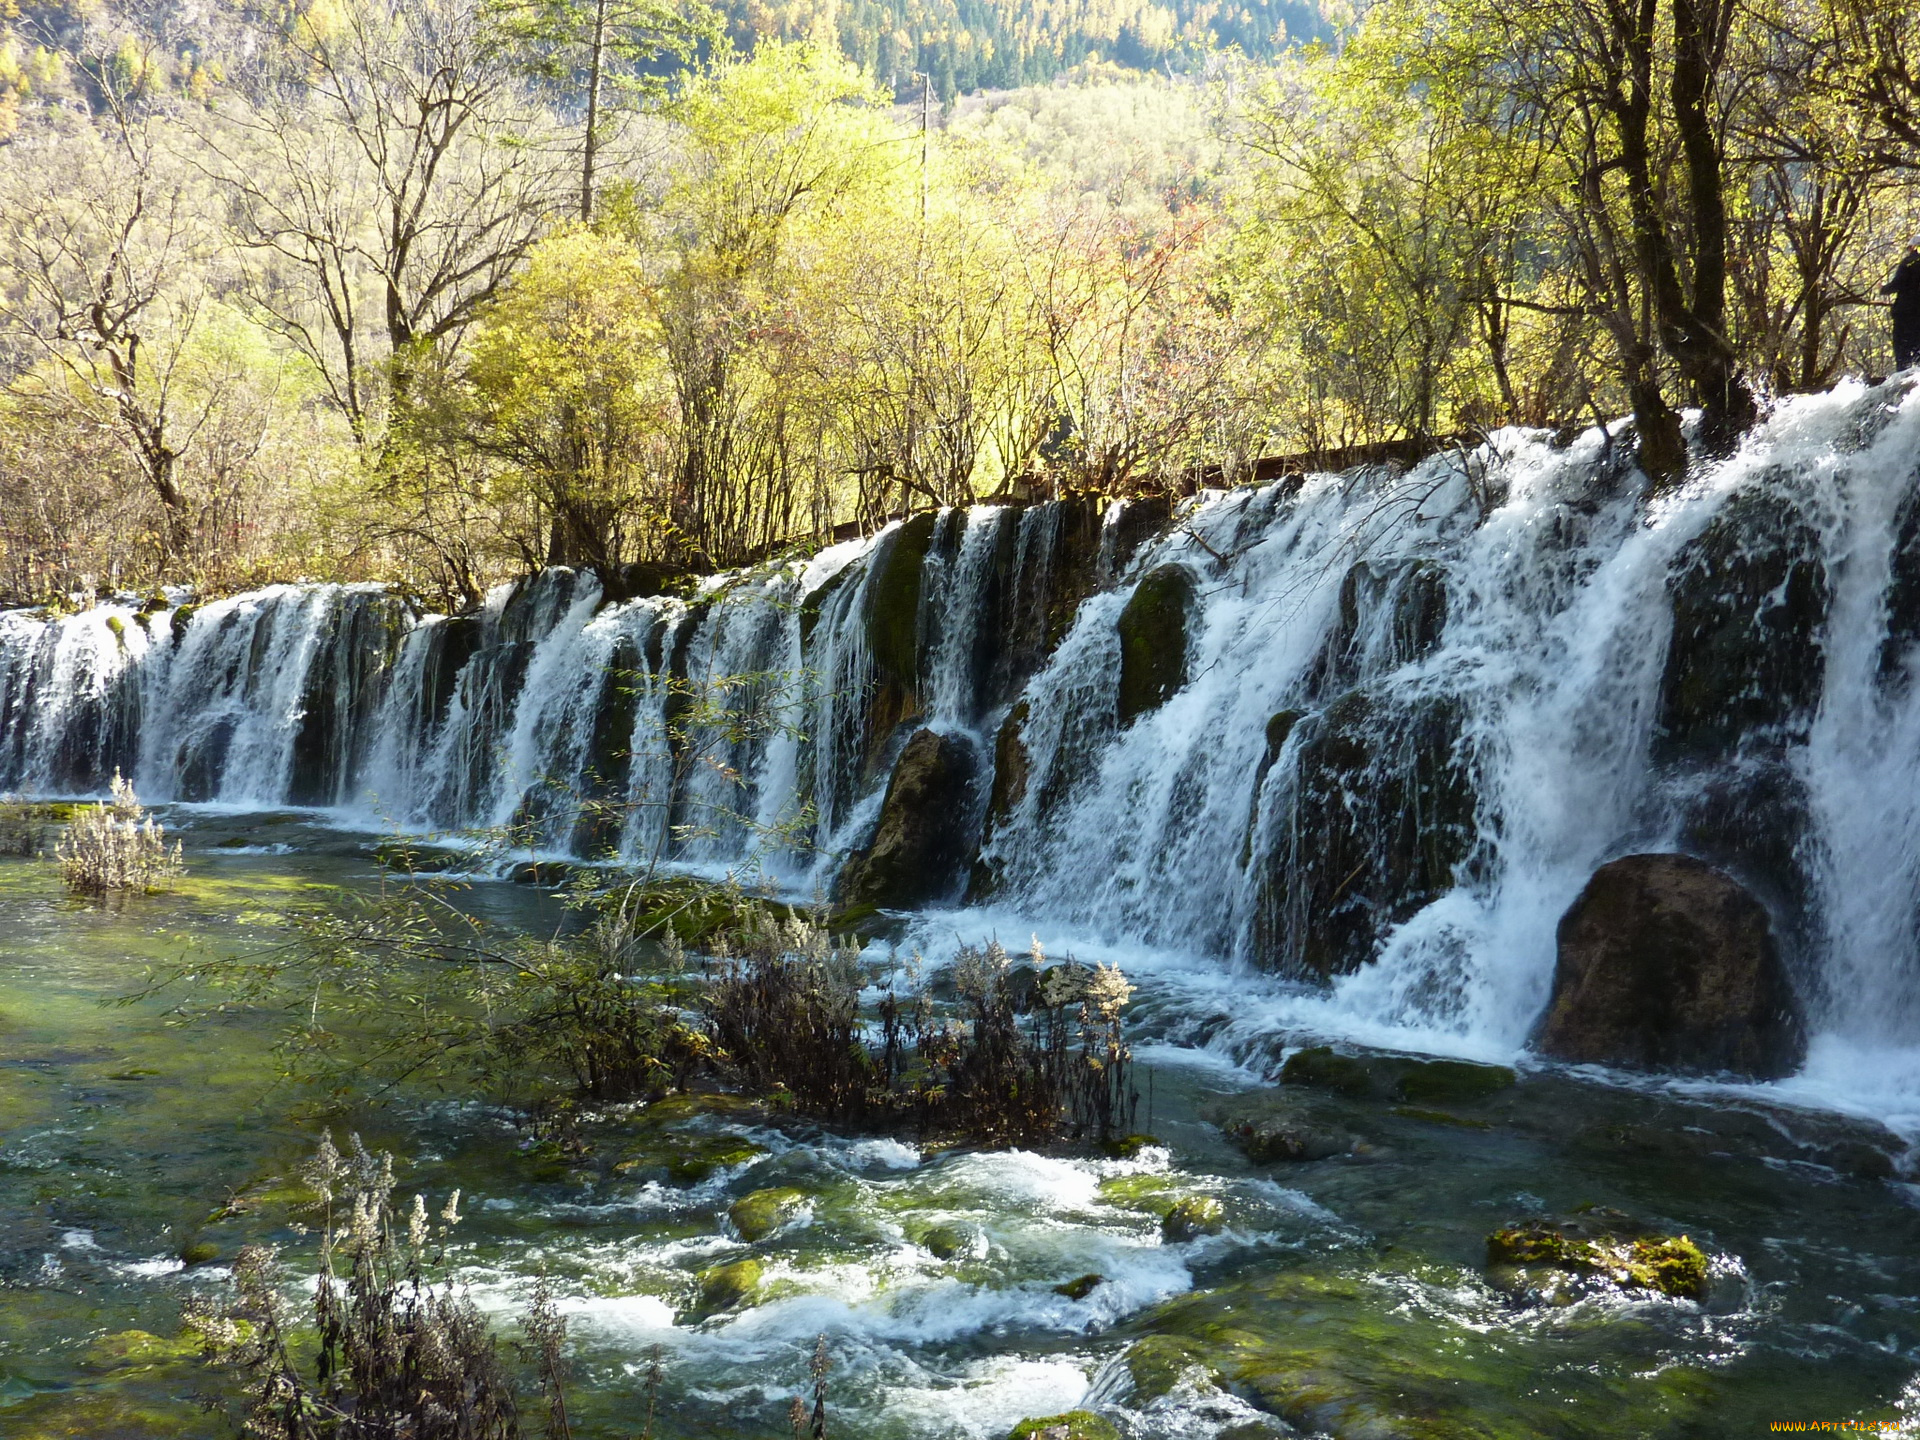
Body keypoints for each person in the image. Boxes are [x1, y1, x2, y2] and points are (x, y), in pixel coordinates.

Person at [1886, 244, 1920, 371]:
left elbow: (1897, 284)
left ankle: (1903, 380)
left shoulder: (1908, 263)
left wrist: (1883, 289)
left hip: (1905, 315)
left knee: (1902, 353)